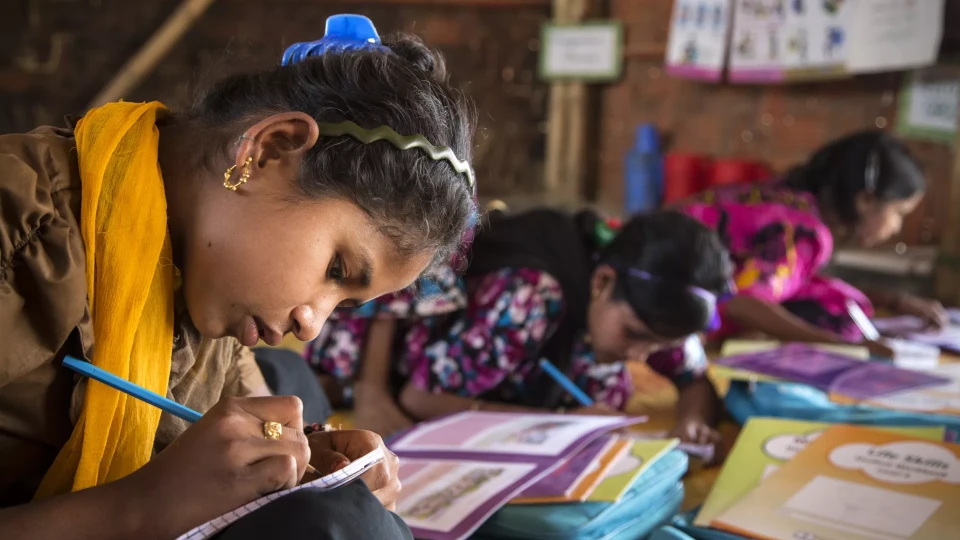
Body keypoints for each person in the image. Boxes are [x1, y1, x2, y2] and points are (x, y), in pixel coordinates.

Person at [0, 15, 477, 539]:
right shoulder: (19, 230)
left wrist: (302, 461)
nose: (312, 325)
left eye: (344, 304)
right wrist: (137, 508)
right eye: (336, 270)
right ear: (267, 150)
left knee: (294, 402)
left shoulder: (204, 288)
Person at [308, 209, 734, 445]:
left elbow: (694, 377)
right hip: (416, 347)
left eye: (660, 345)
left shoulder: (651, 309)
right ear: (602, 282)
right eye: (636, 336)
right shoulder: (532, 298)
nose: (643, 356)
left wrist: (692, 421)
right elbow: (423, 397)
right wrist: (556, 425)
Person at [673, 130, 945, 354]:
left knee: (836, 296)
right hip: (658, 301)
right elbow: (741, 303)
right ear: (866, 201)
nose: (896, 227)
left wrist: (895, 301)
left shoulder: (786, 198)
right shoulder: (805, 232)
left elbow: (795, 279)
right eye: (899, 213)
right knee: (835, 315)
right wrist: (843, 348)